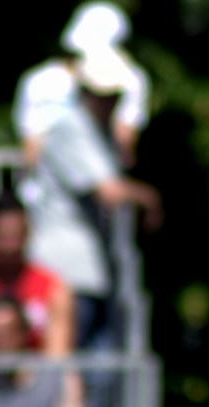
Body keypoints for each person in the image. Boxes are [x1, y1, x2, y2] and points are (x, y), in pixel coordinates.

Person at [18, 47, 158, 348]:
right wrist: (149, 199)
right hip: (67, 271)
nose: (112, 102)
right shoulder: (71, 128)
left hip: (86, 269)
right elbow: (109, 191)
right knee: (73, 364)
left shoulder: (95, 131)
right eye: (106, 94)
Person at [16, 3, 150, 169]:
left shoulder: (37, 80)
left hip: (59, 187)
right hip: (100, 184)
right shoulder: (131, 80)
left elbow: (31, 145)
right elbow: (124, 142)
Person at [0, 196, 74, 356]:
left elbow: (58, 354)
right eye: (4, 237)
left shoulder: (52, 287)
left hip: (36, 374)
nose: (11, 247)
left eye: (16, 236)